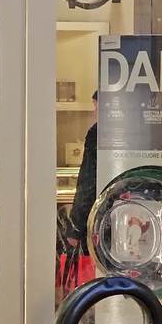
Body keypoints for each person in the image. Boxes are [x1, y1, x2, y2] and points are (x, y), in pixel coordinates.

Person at [65, 91, 98, 250]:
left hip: (98, 217)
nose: (94, 111)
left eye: (96, 106)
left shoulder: (96, 133)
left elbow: (88, 180)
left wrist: (76, 227)